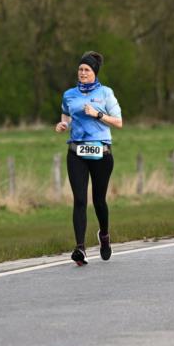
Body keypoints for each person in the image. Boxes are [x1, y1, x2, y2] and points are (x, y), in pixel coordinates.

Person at [55, 51, 123, 266]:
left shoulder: (106, 93)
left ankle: (104, 235)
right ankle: (80, 248)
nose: (82, 73)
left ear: (94, 72)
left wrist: (98, 114)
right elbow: (66, 114)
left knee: (99, 201)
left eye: (87, 70)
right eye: (80, 69)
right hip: (76, 152)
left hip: (101, 152)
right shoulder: (69, 94)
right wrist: (64, 124)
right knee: (80, 200)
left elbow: (119, 122)